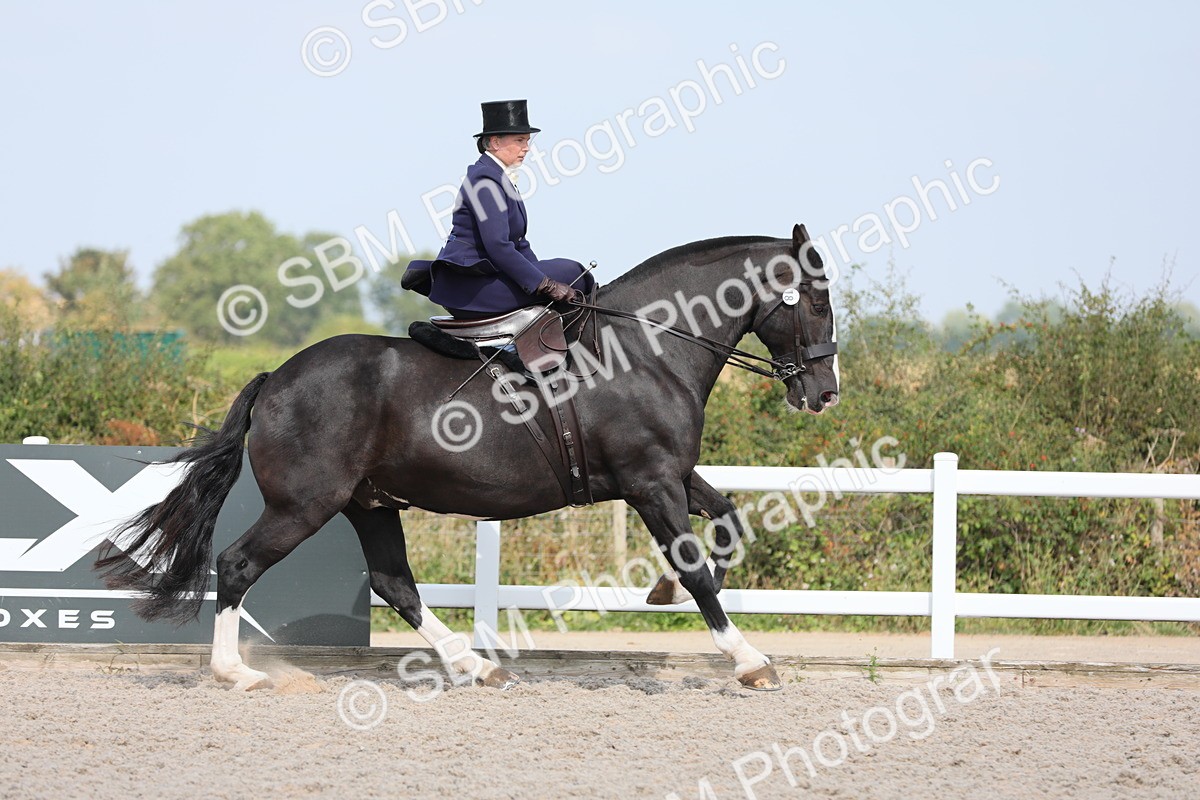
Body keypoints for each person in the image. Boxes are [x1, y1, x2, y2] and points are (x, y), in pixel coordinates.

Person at [401, 99, 594, 318]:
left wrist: (536, 273)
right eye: (520, 140)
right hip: (473, 289)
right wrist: (546, 285)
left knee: (571, 272)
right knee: (574, 271)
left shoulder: (498, 176)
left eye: (528, 141)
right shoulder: (484, 181)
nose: (527, 148)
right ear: (495, 143)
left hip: (491, 278)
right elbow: (498, 246)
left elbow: (519, 245)